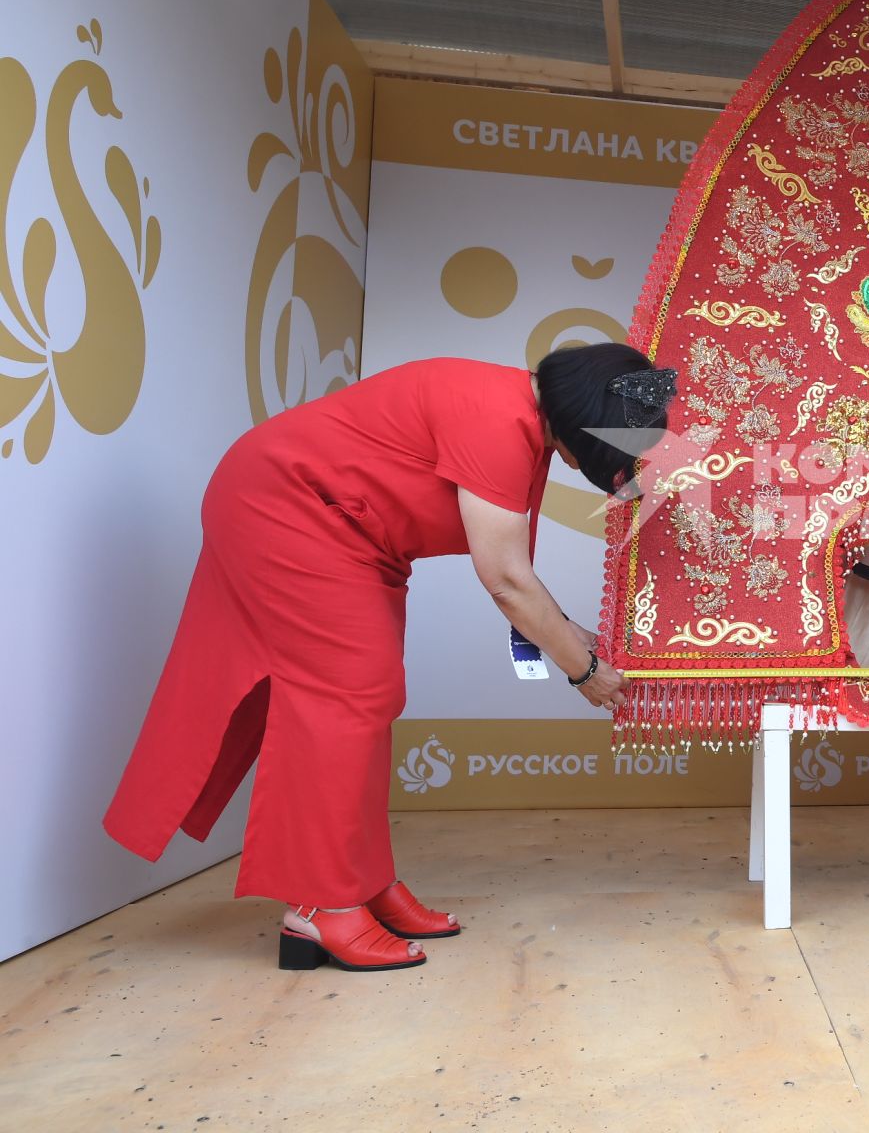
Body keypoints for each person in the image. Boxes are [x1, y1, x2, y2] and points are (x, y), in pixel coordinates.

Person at [103, 345, 676, 972]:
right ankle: (319, 905)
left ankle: (361, 880)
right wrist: (584, 671)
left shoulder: (515, 414)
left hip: (338, 527)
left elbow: (513, 575)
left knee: (369, 698)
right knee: (345, 699)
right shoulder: (496, 418)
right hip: (289, 507)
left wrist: (570, 634)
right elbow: (507, 580)